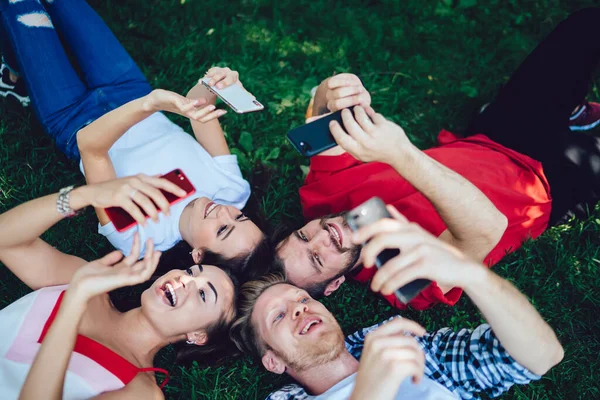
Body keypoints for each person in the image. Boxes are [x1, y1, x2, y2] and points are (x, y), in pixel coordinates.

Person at [274, 8, 600, 310]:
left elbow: (320, 102)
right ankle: (572, 128)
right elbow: (489, 226)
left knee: (584, 26)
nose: (322, 235)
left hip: (490, 139)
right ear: (334, 285)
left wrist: (337, 90)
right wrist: (399, 154)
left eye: (302, 236)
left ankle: (569, 118)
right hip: (548, 185)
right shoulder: (405, 280)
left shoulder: (321, 198)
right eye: (317, 259)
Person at [0, 0, 268, 275]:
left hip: (75, 119)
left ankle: (15, 76)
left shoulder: (140, 238)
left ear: (198, 255)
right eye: (240, 216)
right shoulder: (233, 191)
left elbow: (91, 149)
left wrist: (150, 105)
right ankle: (16, 73)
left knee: (21, 8)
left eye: (223, 229)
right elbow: (198, 108)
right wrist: (214, 84)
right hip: (129, 90)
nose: (225, 211)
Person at [231, 205, 564, 399]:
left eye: (301, 298)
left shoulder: (399, 342)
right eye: (278, 317)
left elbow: (542, 356)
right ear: (273, 361)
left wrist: (473, 276)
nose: (299, 308)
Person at [0, 177, 238, 399]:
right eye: (190, 272)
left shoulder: (141, 392)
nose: (185, 281)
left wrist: (75, 300)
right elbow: (5, 240)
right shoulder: (88, 283)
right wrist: (82, 196)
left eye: (204, 294)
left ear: (197, 336)